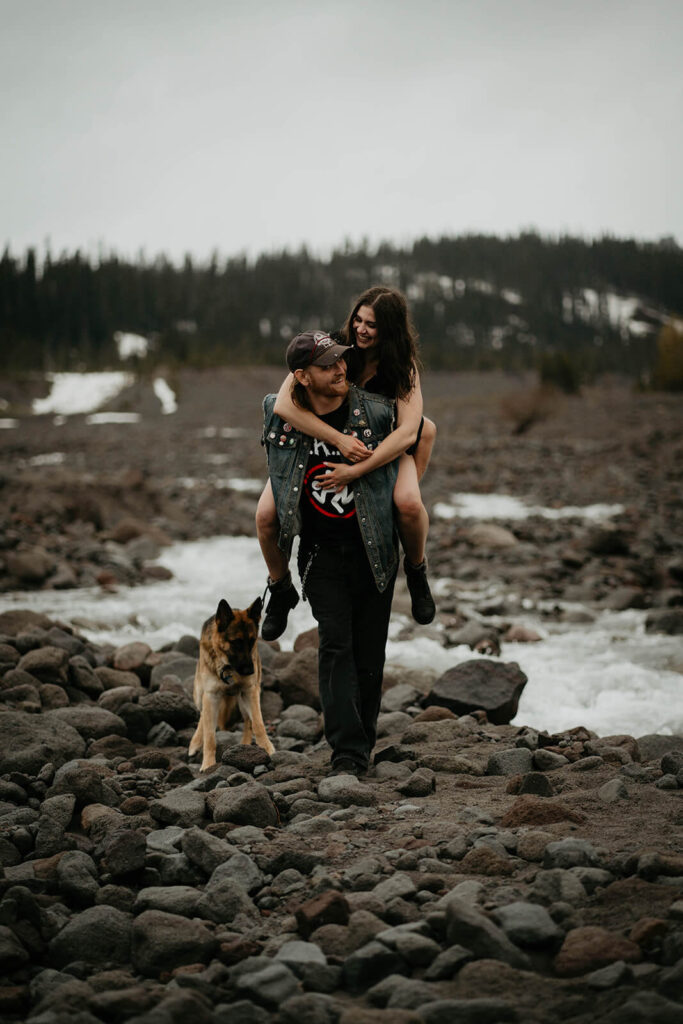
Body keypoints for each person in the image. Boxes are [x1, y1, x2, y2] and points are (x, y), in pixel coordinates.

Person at [256, 286, 436, 641]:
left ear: (391, 330)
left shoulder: (402, 366)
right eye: (359, 319)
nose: (361, 329)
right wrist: (337, 440)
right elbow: (283, 405)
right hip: (321, 444)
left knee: (409, 505)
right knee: (264, 517)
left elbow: (408, 433)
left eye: (372, 325)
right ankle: (280, 588)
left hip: (380, 451)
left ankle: (416, 569)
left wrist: (357, 470)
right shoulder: (334, 348)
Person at [261, 329, 400, 775]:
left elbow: (418, 436)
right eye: (327, 365)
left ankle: (363, 743)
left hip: (375, 548)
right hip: (320, 553)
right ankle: (347, 755)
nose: (341, 368)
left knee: (369, 652)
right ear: (302, 376)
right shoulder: (279, 416)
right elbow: (277, 410)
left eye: (341, 360)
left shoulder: (377, 413)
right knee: (335, 646)